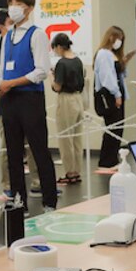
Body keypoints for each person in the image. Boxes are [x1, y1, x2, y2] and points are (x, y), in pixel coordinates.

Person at [0, 0, 59, 212]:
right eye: (11, 3)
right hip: (9, 100)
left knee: (39, 151)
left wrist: (13, 83)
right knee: (13, 153)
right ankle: (18, 202)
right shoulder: (8, 37)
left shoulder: (37, 34)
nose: (13, 7)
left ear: (29, 8)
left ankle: (49, 202)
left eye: (18, 3)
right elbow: (1, 74)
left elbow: (42, 71)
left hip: (31, 98)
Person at [0, 10, 30, 196]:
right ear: (1, 27)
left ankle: (36, 182)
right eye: (10, 22)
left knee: (31, 147)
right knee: (8, 148)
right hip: (6, 105)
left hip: (26, 104)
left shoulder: (22, 44)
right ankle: (9, 184)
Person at [94, 26, 136, 168]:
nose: (119, 42)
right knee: (112, 128)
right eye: (118, 38)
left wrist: (124, 62)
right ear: (111, 37)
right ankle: (106, 161)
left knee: (118, 128)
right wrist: (117, 94)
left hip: (118, 93)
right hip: (110, 95)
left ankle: (112, 159)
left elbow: (118, 74)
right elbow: (107, 77)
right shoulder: (103, 54)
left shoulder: (112, 54)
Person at [52, 33, 85, 184]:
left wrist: (52, 81)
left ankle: (69, 172)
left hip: (66, 99)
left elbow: (57, 86)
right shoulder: (78, 61)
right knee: (77, 138)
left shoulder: (62, 63)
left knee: (65, 138)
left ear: (59, 47)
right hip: (78, 98)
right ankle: (77, 170)